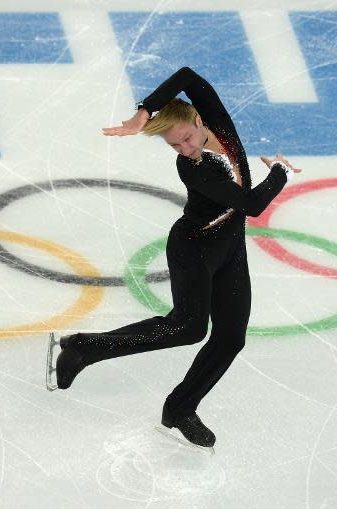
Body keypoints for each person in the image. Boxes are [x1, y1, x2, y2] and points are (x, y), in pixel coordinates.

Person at [53, 67, 301, 448]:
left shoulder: (218, 124)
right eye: (174, 146)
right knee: (188, 328)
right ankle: (84, 347)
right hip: (193, 249)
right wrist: (279, 172)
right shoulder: (193, 168)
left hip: (230, 247)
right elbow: (252, 204)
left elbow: (188, 76)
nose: (186, 149)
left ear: (200, 120)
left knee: (231, 337)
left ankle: (181, 407)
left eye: (186, 138)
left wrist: (144, 110)